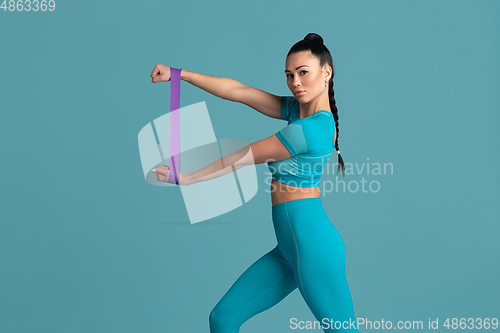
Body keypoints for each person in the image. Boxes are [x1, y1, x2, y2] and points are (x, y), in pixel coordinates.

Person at [150, 32, 359, 332]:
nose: (295, 83)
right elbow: (239, 91)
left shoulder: (312, 129)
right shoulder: (298, 112)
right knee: (223, 319)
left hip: (314, 245)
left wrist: (187, 178)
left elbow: (243, 156)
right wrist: (179, 75)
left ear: (326, 73)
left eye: (303, 73)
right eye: (289, 75)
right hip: (289, 247)